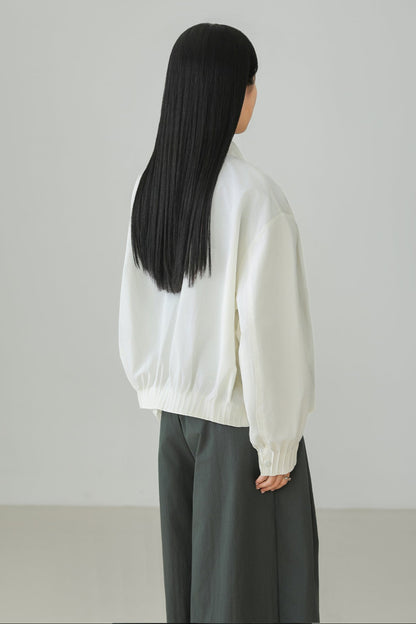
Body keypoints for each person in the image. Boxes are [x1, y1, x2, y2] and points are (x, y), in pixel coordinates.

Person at [118, 22, 320, 624]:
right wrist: (277, 443)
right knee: (251, 595)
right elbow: (268, 333)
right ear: (234, 93)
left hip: (173, 424)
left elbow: (137, 305)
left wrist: (162, 392)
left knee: (190, 590)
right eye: (252, 83)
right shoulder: (255, 198)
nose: (256, 95)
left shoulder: (152, 187)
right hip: (238, 427)